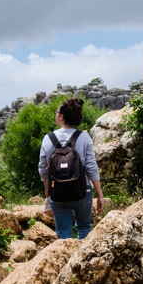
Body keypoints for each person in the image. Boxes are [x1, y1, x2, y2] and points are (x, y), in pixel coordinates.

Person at [38, 97, 104, 239]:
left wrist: (48, 193)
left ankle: (66, 259)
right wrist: (100, 195)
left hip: (58, 193)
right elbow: (91, 167)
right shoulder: (84, 137)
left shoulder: (48, 138)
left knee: (62, 233)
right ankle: (84, 260)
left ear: (61, 116)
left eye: (57, 112)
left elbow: (43, 169)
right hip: (82, 192)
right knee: (84, 227)